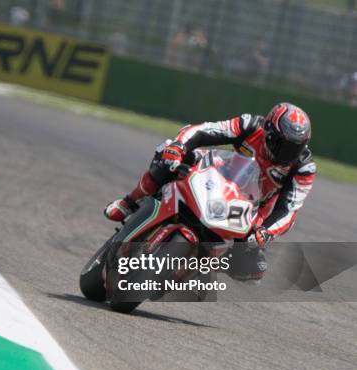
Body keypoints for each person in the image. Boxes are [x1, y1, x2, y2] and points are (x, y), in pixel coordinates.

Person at [104, 103, 316, 281]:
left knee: (254, 268)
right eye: (282, 145)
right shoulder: (250, 125)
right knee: (167, 156)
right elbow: (203, 130)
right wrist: (178, 147)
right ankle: (129, 202)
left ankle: (195, 268)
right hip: (219, 174)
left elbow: (289, 210)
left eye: (294, 148)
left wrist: (266, 232)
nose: (288, 154)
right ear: (269, 132)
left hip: (251, 210)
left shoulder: (303, 168)